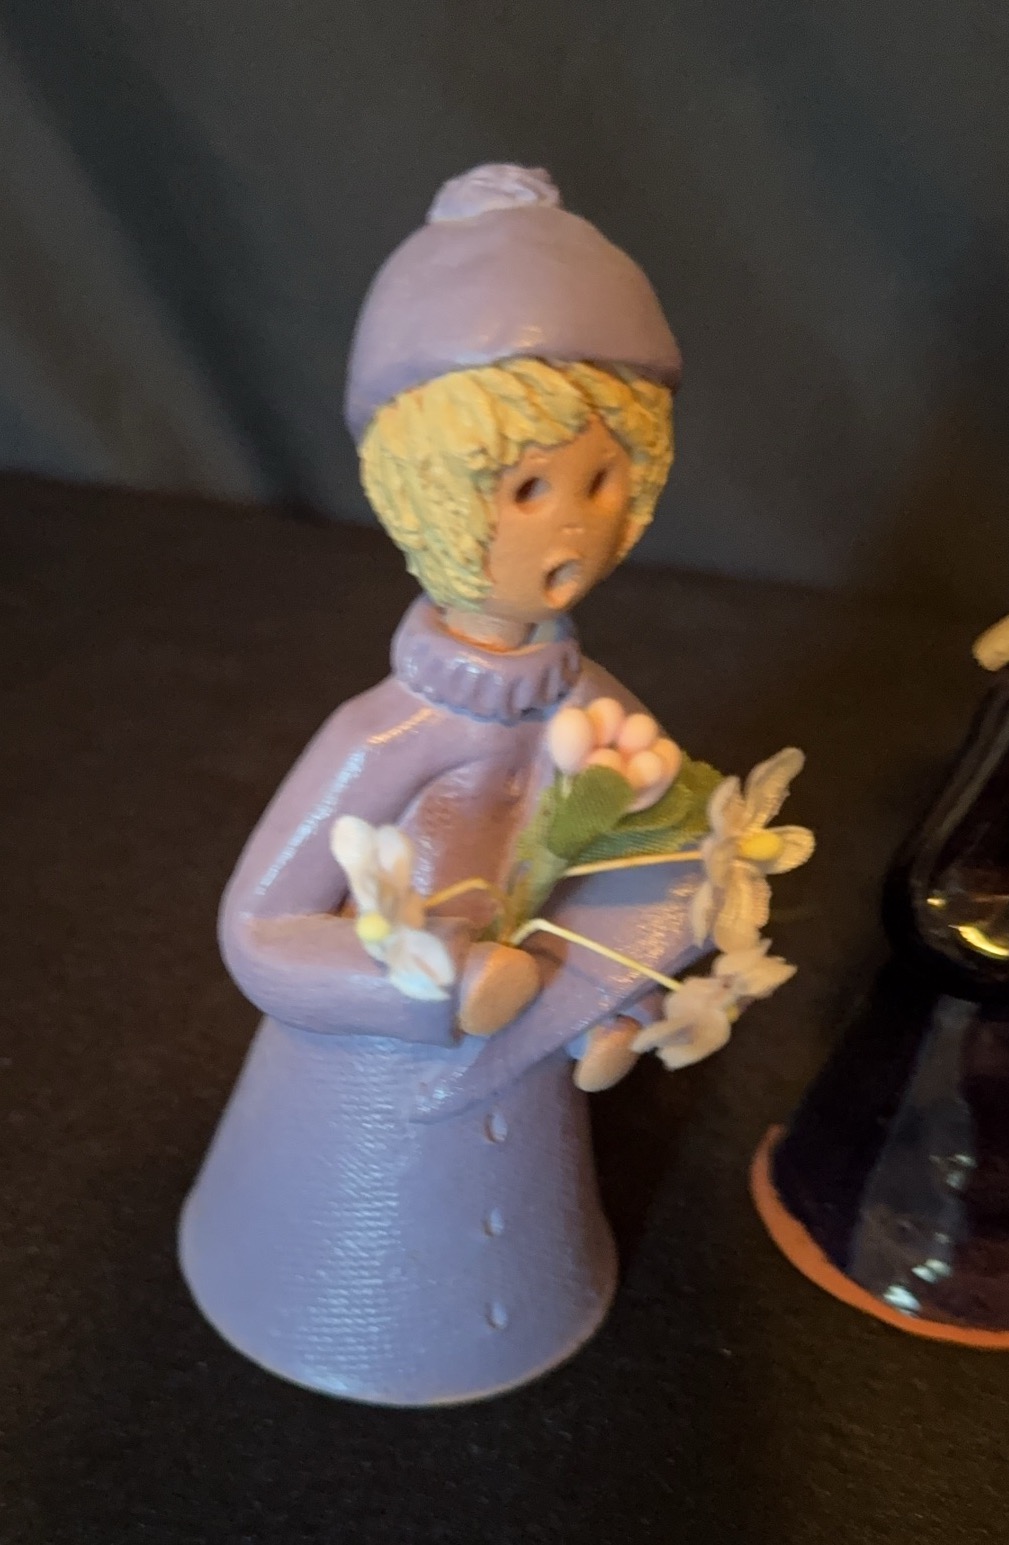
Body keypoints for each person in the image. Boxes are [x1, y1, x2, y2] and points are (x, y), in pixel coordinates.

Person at [179, 165, 706, 1405]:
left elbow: (657, 846)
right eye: (527, 488)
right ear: (426, 496)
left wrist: (625, 986)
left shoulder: (597, 706)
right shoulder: (383, 737)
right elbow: (260, 932)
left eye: (601, 478)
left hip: (532, 1066)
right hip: (359, 1095)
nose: (571, 526)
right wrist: (429, 988)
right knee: (357, 1239)